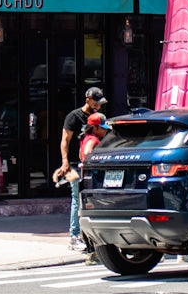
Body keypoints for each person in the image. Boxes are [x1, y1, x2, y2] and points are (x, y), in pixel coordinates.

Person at [57, 87, 106, 252]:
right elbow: (65, 140)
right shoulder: (74, 116)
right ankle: (74, 236)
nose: (98, 106)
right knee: (77, 199)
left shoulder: (97, 118)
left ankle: (89, 236)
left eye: (100, 104)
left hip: (90, 165)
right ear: (88, 99)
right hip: (75, 164)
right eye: (96, 103)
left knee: (89, 200)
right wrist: (65, 162)